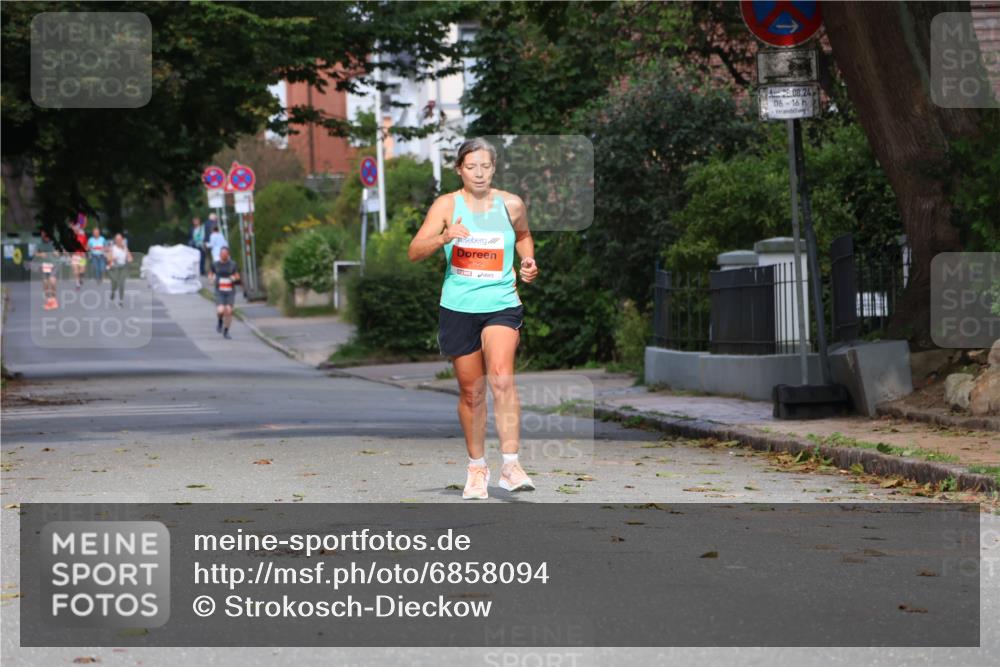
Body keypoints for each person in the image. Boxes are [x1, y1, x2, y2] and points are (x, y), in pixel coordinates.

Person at [408, 137, 539, 500]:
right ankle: (477, 467)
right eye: (471, 167)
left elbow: (523, 236)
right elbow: (414, 251)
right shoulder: (446, 205)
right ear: (459, 170)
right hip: (458, 306)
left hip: (501, 302)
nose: (479, 173)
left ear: (493, 168)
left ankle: (511, 466)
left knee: (501, 376)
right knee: (471, 392)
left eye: (485, 166)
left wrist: (528, 261)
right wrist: (444, 237)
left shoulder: (511, 204)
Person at [209, 246, 240, 339]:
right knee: (221, 310)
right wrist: (211, 278)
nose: (223, 255)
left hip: (230, 291)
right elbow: (211, 273)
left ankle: (226, 331)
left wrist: (234, 278)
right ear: (219, 254)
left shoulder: (232, 264)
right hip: (220, 290)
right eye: (222, 254)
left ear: (228, 255)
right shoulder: (215, 264)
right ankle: (220, 321)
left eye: (225, 254)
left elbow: (237, 276)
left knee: (229, 311)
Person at [34, 230, 60, 310]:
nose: (46, 238)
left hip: (53, 265)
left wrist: (56, 253)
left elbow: (59, 252)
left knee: (52, 280)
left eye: (47, 236)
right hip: (44, 266)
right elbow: (35, 253)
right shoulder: (39, 244)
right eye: (45, 236)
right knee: (45, 283)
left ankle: (54, 300)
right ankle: (49, 301)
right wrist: (40, 254)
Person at [105, 233, 133, 307]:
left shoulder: (125, 248)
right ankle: (113, 293)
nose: (119, 241)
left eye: (120, 239)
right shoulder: (112, 248)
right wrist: (113, 258)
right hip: (114, 267)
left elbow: (130, 257)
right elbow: (108, 259)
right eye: (117, 239)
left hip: (123, 267)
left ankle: (121, 300)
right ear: (115, 240)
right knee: (115, 283)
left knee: (121, 283)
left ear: (122, 240)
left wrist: (129, 259)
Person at [70, 218, 87, 289]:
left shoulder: (83, 236)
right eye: (74, 229)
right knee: (75, 269)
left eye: (77, 229)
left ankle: (80, 278)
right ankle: (77, 283)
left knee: (82, 270)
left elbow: (85, 245)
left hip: (82, 255)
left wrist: (84, 252)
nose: (75, 230)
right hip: (75, 255)